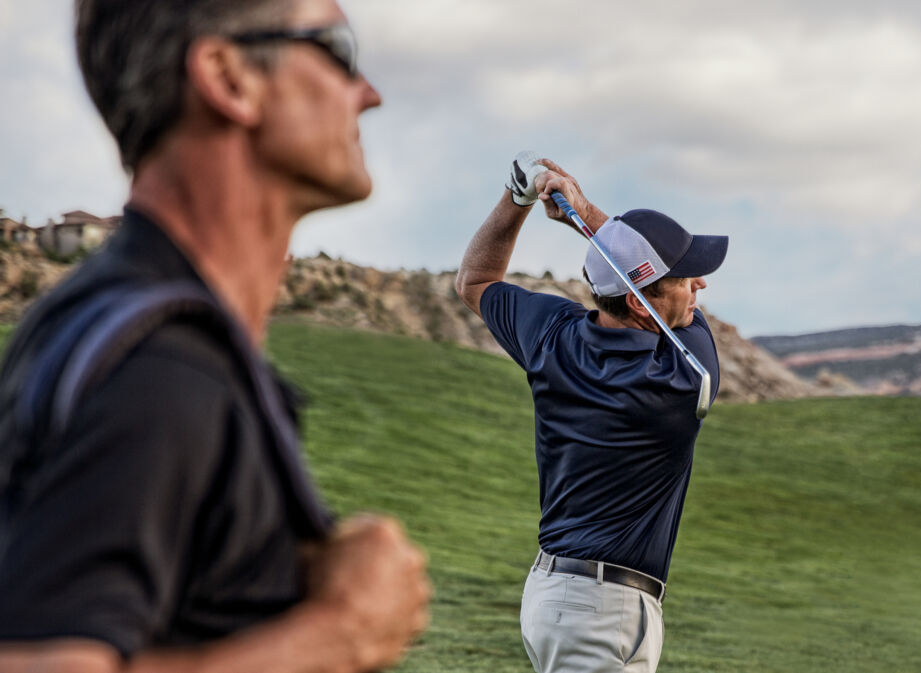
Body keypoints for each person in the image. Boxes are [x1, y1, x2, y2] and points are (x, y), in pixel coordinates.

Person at [0, 1, 430, 671]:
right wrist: (339, 633)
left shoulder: (110, 328)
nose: (368, 93)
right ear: (229, 80)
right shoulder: (160, 370)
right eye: (338, 49)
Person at [456, 154, 728, 673]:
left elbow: (475, 280)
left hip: (571, 599)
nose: (700, 285)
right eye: (686, 277)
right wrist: (587, 214)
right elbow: (670, 306)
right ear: (641, 303)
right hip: (597, 610)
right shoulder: (682, 377)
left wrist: (516, 198)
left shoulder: (551, 335)